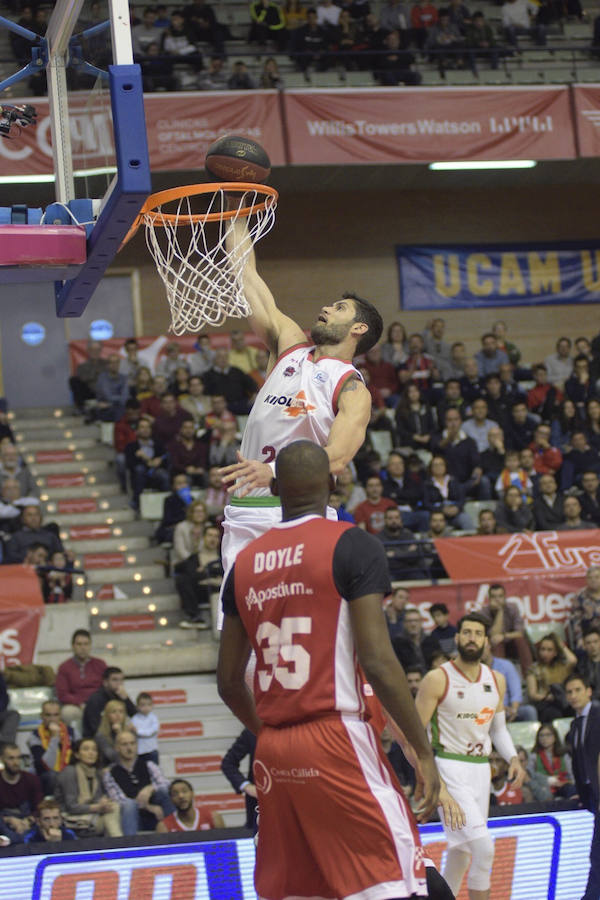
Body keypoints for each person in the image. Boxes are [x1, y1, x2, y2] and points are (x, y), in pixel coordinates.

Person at [217, 441, 456, 900]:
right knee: (404, 886)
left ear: (277, 489)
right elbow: (379, 661)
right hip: (334, 735)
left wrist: (267, 733)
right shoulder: (352, 543)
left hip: (274, 751)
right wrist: (424, 753)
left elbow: (228, 681)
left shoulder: (244, 564)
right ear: (331, 483)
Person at [216, 213, 383, 607]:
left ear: (358, 329)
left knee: (296, 627)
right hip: (242, 515)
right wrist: (235, 204)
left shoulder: (352, 387)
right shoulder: (289, 345)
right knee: (241, 638)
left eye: (340, 308)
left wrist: (271, 472)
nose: (327, 307)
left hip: (297, 515)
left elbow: (337, 459)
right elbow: (247, 275)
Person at [416, 611, 525, 900]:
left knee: (462, 852)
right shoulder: (437, 679)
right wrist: (429, 778)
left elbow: (498, 730)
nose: (472, 638)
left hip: (480, 770)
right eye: (466, 633)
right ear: (457, 637)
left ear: (486, 641)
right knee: (484, 849)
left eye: (478, 633)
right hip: (448, 768)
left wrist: (513, 757)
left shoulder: (497, 679)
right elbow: (414, 736)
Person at [565, 673, 600, 899]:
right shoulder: (575, 723)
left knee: (596, 854)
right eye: (569, 692)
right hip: (592, 796)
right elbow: (580, 762)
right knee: (596, 854)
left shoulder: (598, 715)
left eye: (577, 690)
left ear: (588, 691)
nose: (573, 695)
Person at [102, 729, 174, 835]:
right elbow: (119, 801)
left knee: (164, 791)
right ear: (117, 748)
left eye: (132, 743)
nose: (129, 748)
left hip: (157, 816)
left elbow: (167, 785)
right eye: (124, 744)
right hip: (131, 819)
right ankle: (131, 847)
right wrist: (148, 807)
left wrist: (150, 788)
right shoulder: (110, 773)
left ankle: (175, 834)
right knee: (129, 804)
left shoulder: (149, 765)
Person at [55, 738, 122, 837]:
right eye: (86, 749)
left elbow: (97, 799)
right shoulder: (69, 772)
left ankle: (117, 843)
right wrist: (97, 807)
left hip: (90, 816)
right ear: (77, 754)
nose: (91, 753)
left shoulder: (97, 773)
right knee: (111, 817)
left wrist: (103, 802)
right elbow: (71, 807)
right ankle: (119, 843)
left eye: (94, 750)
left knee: (113, 808)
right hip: (71, 819)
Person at [55, 629, 106, 734]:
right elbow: (63, 694)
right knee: (67, 713)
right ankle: (74, 744)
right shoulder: (64, 667)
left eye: (86, 644)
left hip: (99, 705)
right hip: (77, 706)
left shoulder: (100, 664)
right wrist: (80, 703)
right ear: (73, 646)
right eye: (79, 644)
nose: (83, 648)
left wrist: (94, 703)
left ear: (90, 646)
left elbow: (106, 688)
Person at [480, 582, 532, 673]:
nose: (497, 600)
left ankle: (530, 675)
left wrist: (504, 636)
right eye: (494, 597)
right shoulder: (484, 612)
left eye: (500, 596)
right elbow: (494, 635)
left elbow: (520, 632)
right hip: (495, 647)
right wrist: (500, 611)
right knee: (496, 643)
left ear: (504, 597)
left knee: (520, 640)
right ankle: (499, 676)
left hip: (512, 644)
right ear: (489, 599)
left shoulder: (513, 608)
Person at [525, 632, 577, 722]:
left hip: (563, 701)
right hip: (546, 703)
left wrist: (561, 644)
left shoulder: (562, 666)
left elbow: (573, 660)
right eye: (543, 649)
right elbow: (532, 694)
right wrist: (546, 697)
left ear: (555, 652)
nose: (545, 653)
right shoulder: (534, 668)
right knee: (553, 713)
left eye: (549, 650)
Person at [27, 700, 73, 795]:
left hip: (67, 773)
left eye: (56, 715)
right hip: (44, 776)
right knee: (52, 775)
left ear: (60, 716)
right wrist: (55, 737)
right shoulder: (35, 736)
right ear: (42, 716)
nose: (52, 719)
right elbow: (46, 765)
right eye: (48, 715)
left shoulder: (72, 733)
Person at [481, 643, 536, 722]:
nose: (480, 652)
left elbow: (516, 691)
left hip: (508, 709)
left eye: (482, 648)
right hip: (486, 711)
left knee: (529, 711)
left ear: (488, 646)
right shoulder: (473, 671)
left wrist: (514, 709)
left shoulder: (506, 665)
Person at [0, 743, 43, 839]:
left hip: (28, 822)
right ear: (2, 759)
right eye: (11, 758)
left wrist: (27, 821)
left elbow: (39, 807)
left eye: (18, 758)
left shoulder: (31, 779)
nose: (16, 762)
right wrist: (8, 820)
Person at [82, 666, 137, 738]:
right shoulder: (96, 699)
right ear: (105, 682)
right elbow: (95, 727)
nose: (119, 683)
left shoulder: (121, 696)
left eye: (121, 680)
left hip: (117, 736)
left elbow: (137, 718)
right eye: (115, 680)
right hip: (97, 738)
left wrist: (126, 699)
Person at [221, 728, 258, 832]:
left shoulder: (297, 729)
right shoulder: (253, 730)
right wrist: (246, 786)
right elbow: (228, 763)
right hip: (260, 807)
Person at [157, 778, 223, 832]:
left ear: (192, 794)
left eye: (184, 791)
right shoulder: (164, 827)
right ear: (171, 799)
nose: (181, 796)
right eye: (175, 794)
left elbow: (225, 846)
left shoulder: (213, 818)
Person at [530, 723, 577, 799]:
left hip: (563, 785)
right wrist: (548, 780)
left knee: (571, 790)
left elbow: (572, 775)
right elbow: (530, 774)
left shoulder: (564, 755)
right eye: (541, 735)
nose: (544, 738)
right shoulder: (534, 756)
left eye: (548, 735)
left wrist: (567, 782)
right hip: (543, 786)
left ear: (555, 737)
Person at [95, 699, 132, 765]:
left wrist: (121, 732)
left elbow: (132, 754)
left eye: (121, 712)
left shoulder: (130, 732)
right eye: (113, 712)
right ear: (107, 715)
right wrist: (120, 734)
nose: (118, 715)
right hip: (108, 767)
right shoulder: (101, 735)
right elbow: (113, 757)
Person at [131, 692, 160, 765]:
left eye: (149, 704)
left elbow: (151, 732)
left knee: (154, 773)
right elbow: (132, 733)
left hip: (151, 751)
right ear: (137, 706)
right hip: (139, 752)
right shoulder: (134, 719)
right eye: (143, 705)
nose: (146, 707)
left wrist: (138, 731)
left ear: (152, 705)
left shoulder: (154, 718)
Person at [577, 627, 600, 700]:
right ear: (584, 645)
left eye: (595, 641)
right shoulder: (581, 665)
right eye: (588, 643)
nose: (592, 645)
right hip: (592, 702)